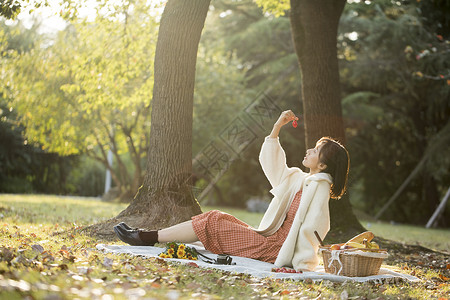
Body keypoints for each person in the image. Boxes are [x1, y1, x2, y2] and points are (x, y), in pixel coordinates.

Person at [114, 110, 350, 271]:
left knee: (213, 222)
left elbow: (316, 227)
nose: (309, 150)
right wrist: (278, 126)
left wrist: (301, 263)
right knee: (216, 216)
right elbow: (275, 168)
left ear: (323, 165)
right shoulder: (300, 180)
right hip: (267, 239)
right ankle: (147, 235)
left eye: (317, 150)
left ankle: (145, 237)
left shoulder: (318, 187)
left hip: (273, 249)